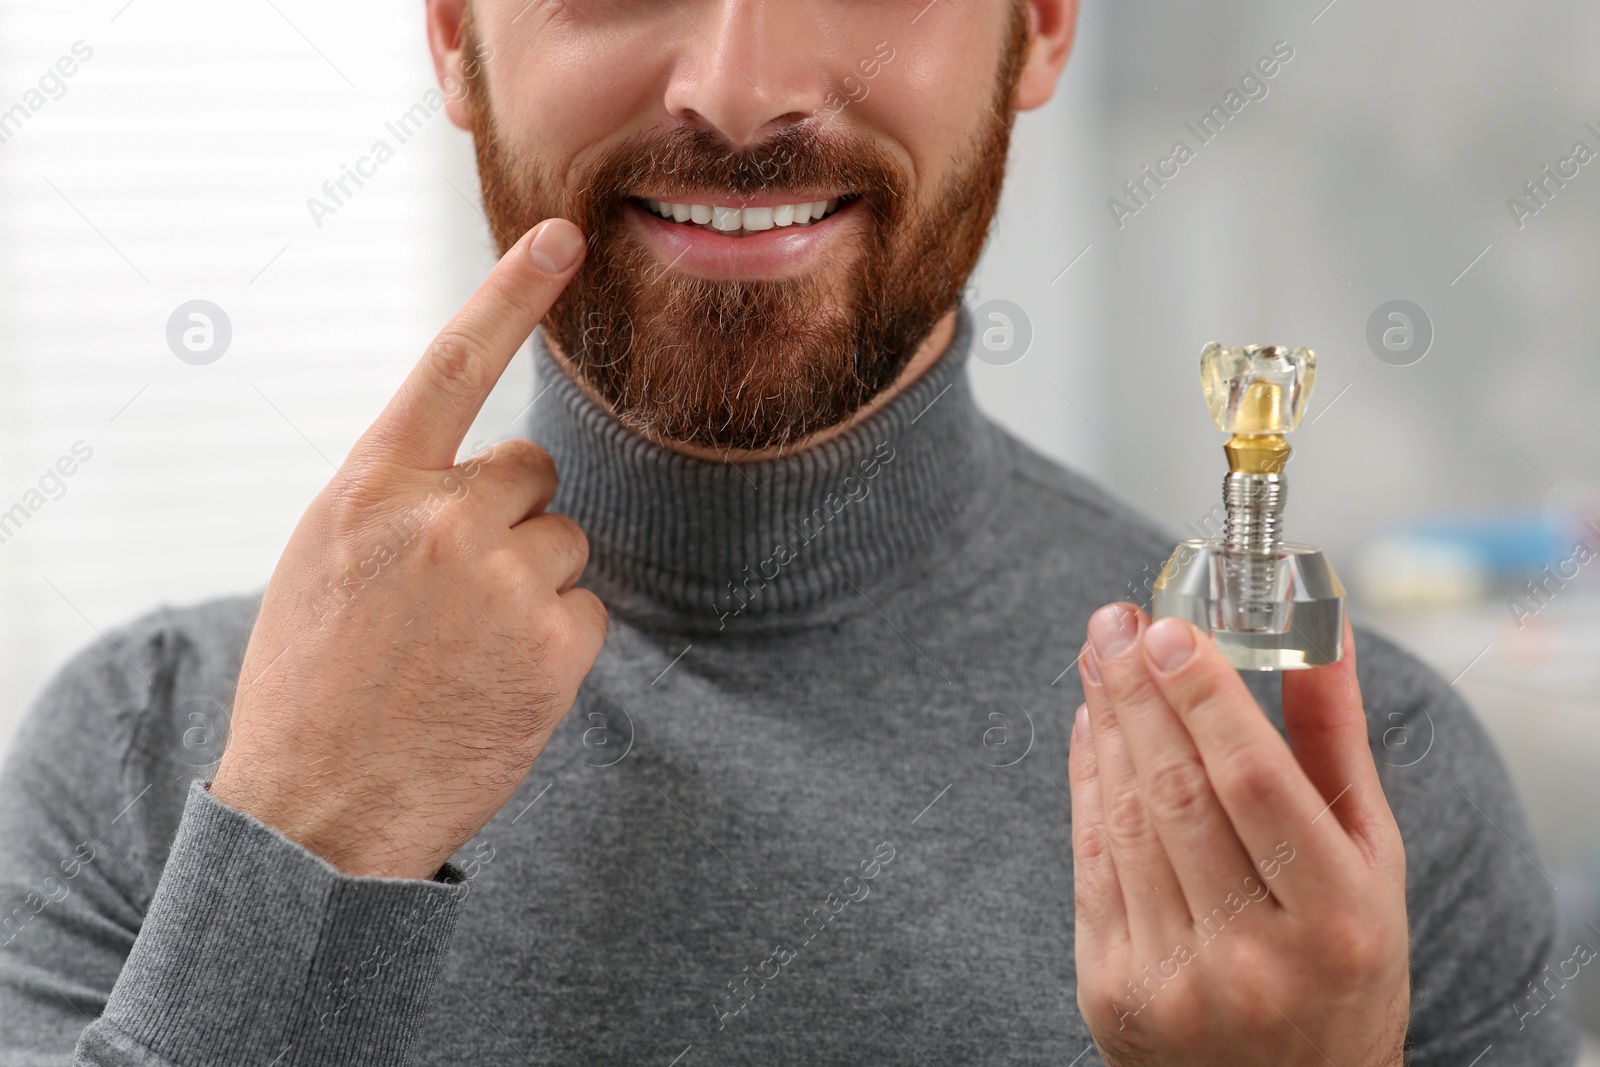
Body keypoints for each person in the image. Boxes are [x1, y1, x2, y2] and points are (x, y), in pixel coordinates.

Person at [0, 0, 1577, 1063]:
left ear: (1037, 25)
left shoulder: (1346, 812)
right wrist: (304, 854)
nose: (739, 86)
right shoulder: (149, 760)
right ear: (454, 37)